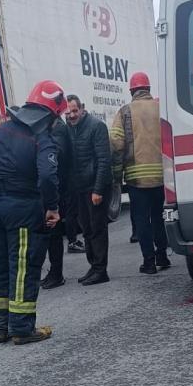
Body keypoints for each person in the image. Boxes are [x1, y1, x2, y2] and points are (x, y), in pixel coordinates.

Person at [0, 80, 64, 345]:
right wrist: (52, 208)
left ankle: (0, 326)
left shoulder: (1, 131)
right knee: (23, 267)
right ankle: (21, 327)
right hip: (21, 206)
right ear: (52, 113)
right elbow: (48, 177)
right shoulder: (42, 138)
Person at [111, 72, 171, 275]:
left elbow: (116, 143)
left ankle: (149, 262)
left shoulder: (125, 111)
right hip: (162, 176)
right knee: (159, 217)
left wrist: (117, 174)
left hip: (137, 179)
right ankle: (163, 255)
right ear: (148, 89)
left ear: (131, 90)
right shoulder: (161, 108)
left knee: (142, 220)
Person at [66, 95, 111, 286]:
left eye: (75, 111)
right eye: (68, 112)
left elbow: (103, 160)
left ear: (82, 109)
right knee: (86, 229)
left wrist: (98, 190)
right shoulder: (68, 129)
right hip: (79, 188)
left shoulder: (96, 126)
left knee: (97, 228)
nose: (72, 115)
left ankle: (101, 270)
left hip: (95, 187)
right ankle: (93, 266)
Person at [41, 113, 72, 289]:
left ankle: (57, 273)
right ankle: (53, 271)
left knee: (54, 235)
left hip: (57, 189)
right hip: (54, 189)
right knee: (51, 235)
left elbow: (56, 154)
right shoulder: (53, 128)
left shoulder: (58, 129)